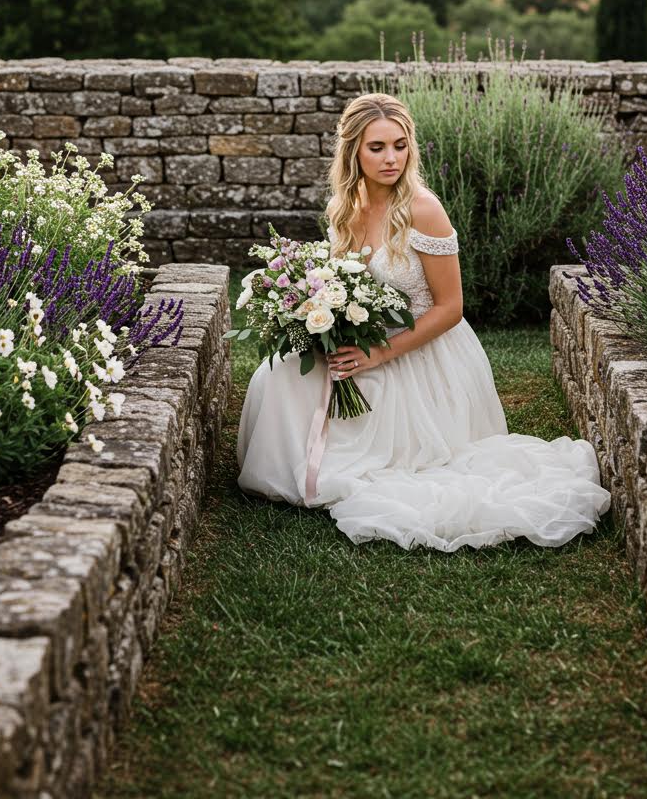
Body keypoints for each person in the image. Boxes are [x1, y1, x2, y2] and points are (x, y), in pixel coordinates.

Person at [236, 91, 610, 552]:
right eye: (377, 147)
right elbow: (338, 281)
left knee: (375, 427)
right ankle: (288, 472)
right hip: (365, 335)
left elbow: (451, 308)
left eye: (400, 144)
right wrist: (323, 325)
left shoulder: (422, 209)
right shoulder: (345, 207)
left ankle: (335, 465)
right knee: (279, 373)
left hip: (422, 349)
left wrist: (377, 354)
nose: (391, 157)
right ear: (353, 151)